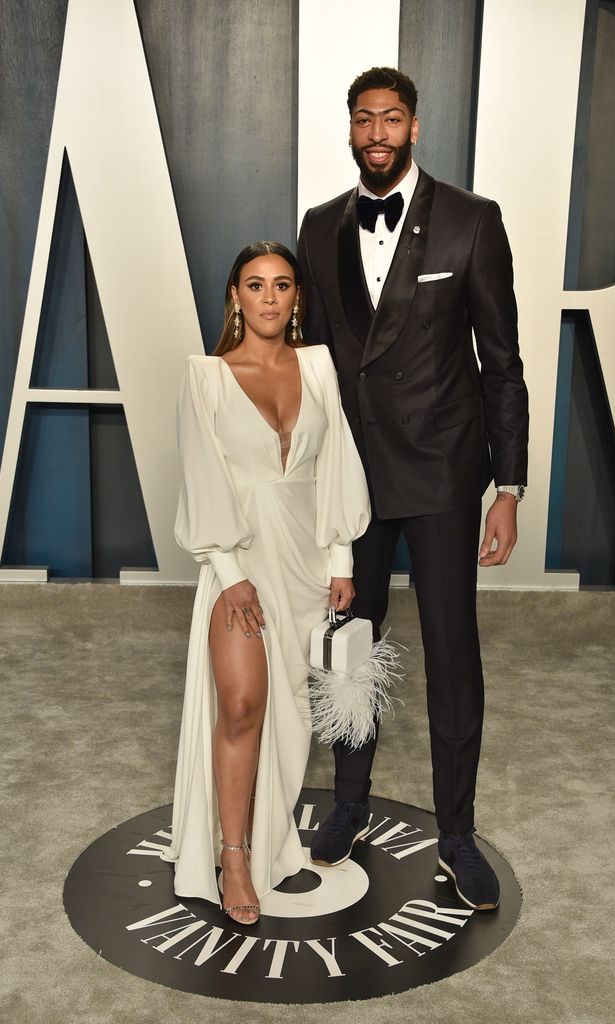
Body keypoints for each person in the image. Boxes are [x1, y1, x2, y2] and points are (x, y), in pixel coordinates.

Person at [297, 67, 529, 911]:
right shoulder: (319, 227)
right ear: (350, 129)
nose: (378, 132)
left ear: (416, 128)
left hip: (441, 470)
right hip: (355, 477)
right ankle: (349, 803)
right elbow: (315, 368)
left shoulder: (472, 220)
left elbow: (501, 363)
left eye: (392, 118)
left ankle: (458, 833)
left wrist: (508, 487)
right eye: (364, 119)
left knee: (451, 653)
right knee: (349, 647)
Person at [161, 241, 370, 925]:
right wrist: (228, 575)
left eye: (283, 286)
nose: (270, 298)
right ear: (235, 297)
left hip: (306, 566)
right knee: (244, 704)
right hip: (240, 563)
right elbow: (202, 477)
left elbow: (335, 459)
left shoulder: (316, 368)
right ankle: (234, 856)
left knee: (289, 717)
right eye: (255, 285)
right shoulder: (206, 377)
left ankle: (267, 830)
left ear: (297, 298)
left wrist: (341, 562)